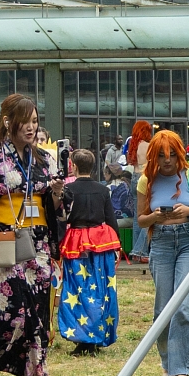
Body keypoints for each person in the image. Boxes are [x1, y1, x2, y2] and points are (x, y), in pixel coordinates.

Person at [0, 93, 63, 376]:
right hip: (4, 238)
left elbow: (55, 204)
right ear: (8, 122)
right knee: (2, 307)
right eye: (25, 122)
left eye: (34, 121)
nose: (31, 128)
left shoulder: (45, 158)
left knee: (38, 312)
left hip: (38, 241)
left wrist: (57, 194)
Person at [136, 127, 189, 376]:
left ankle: (182, 369)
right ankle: (168, 363)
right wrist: (155, 216)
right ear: (153, 157)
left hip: (188, 242)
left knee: (184, 306)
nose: (167, 160)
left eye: (171, 154)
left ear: (179, 153)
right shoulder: (146, 181)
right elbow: (141, 220)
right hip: (161, 243)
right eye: (161, 155)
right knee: (163, 308)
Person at [57, 148, 122, 353]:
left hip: (76, 241)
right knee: (99, 287)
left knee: (77, 287)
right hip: (101, 242)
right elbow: (111, 219)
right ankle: (97, 333)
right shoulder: (103, 190)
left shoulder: (69, 190)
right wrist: (117, 244)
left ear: (73, 166)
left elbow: (62, 219)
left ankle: (82, 335)